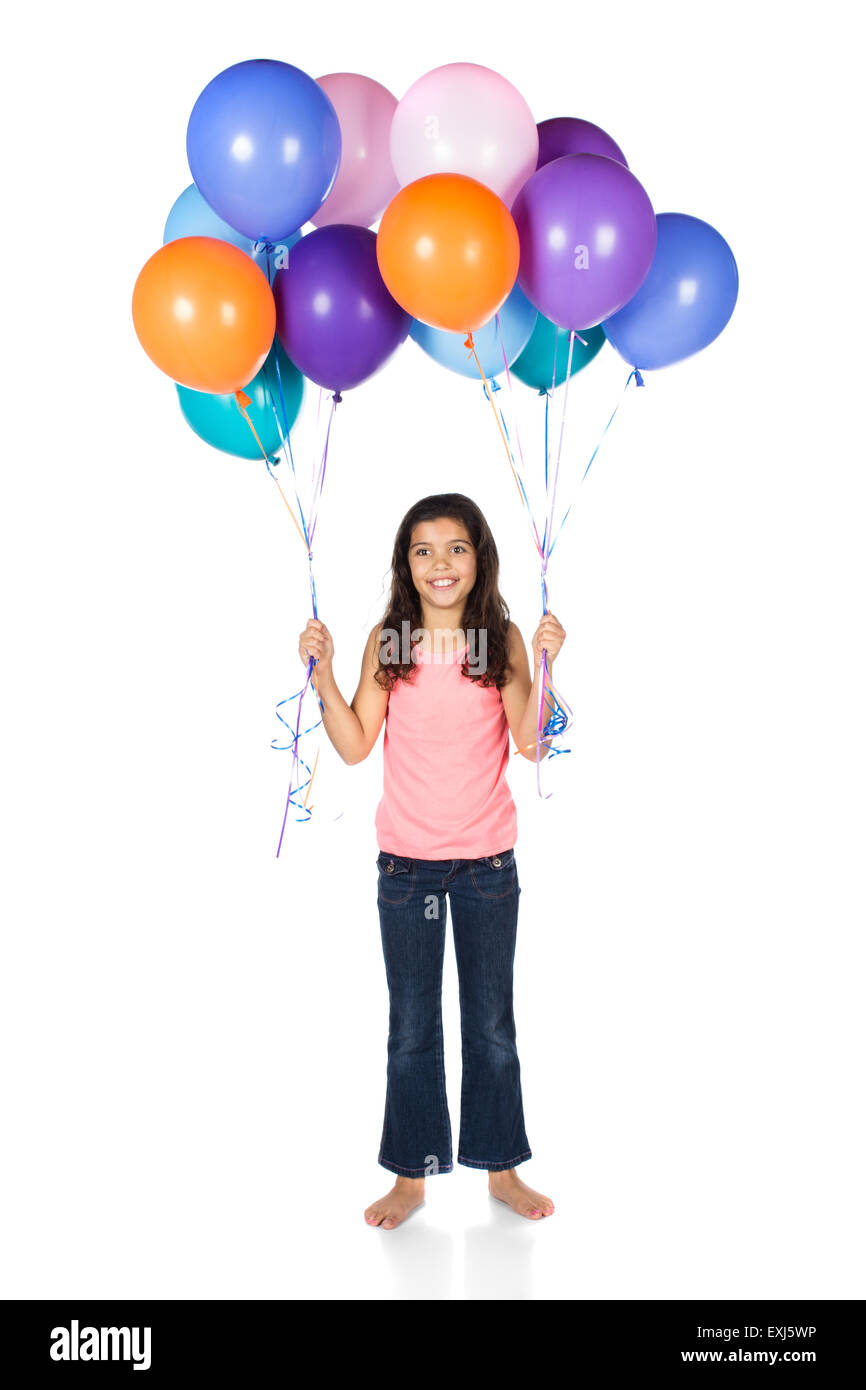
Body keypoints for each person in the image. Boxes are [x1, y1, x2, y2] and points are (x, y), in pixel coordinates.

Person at [298, 493, 566, 1229]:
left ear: (479, 557)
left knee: (491, 1026)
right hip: (407, 868)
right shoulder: (392, 640)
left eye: (455, 548)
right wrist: (321, 675)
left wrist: (545, 664)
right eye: (423, 550)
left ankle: (501, 1168)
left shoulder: (496, 639)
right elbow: (355, 745)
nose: (439, 564)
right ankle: (411, 1178)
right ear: (405, 565)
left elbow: (531, 741)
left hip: (486, 864)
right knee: (413, 1026)